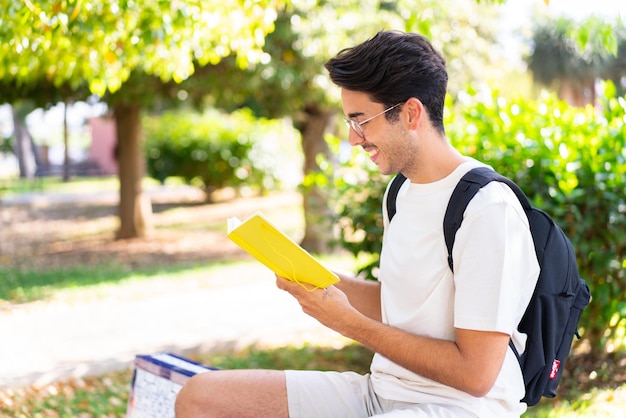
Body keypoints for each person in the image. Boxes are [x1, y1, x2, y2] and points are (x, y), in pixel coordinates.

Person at [175, 30, 540, 418]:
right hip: (380, 394)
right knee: (200, 398)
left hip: (460, 406)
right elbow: (402, 304)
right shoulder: (400, 193)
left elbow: (476, 374)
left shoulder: (487, 209)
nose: (352, 138)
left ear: (411, 113)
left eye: (361, 121)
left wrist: (349, 324)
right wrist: (318, 280)